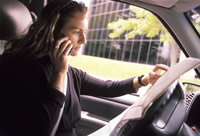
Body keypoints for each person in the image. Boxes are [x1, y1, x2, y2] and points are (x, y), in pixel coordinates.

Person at [0, 0, 168, 136]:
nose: (83, 40)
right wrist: (59, 74)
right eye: (76, 32)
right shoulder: (25, 70)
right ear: (54, 33)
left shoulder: (69, 71)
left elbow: (108, 87)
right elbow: (42, 130)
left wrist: (145, 79)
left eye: (85, 32)